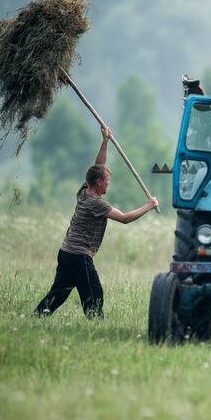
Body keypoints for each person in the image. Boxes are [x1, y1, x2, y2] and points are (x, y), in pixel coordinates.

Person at [34, 126, 159, 319]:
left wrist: (105, 141)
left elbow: (98, 166)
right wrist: (148, 206)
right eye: (107, 180)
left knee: (59, 291)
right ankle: (96, 322)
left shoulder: (85, 190)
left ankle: (39, 315)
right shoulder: (95, 203)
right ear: (99, 182)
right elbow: (125, 219)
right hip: (78, 255)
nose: (109, 182)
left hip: (67, 251)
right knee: (94, 293)